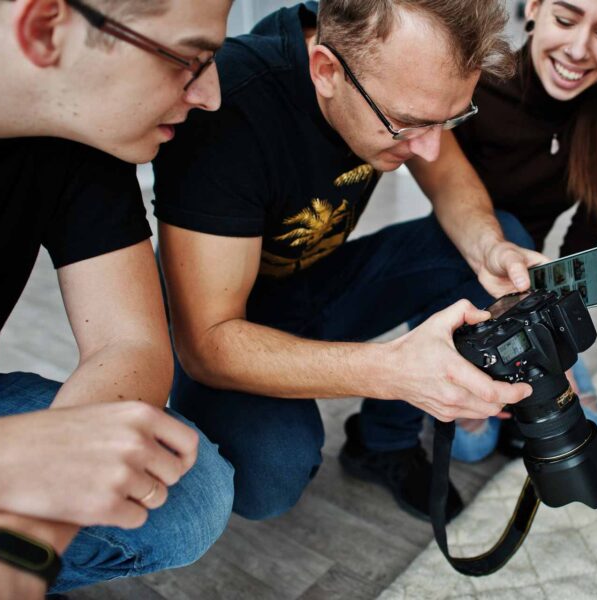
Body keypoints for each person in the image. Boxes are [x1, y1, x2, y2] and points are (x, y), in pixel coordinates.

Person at [151, 0, 546, 524]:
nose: (430, 149)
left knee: (501, 241)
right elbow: (207, 344)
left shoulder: (395, 73)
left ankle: (382, 442)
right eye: (407, 124)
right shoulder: (231, 109)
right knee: (268, 475)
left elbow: (449, 178)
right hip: (219, 319)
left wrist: (489, 248)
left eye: (446, 121)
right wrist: (393, 371)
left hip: (314, 284)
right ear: (326, 72)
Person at [0, 0, 234, 596]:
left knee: (188, 491)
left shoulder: (75, 129)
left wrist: (30, 527)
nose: (212, 95)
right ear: (45, 29)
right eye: (187, 58)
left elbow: (129, 341)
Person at [447, 0, 597, 461]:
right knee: (471, 444)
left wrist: (555, 339)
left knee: (588, 426)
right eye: (565, 20)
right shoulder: (477, 88)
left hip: (527, 289)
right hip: (456, 276)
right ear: (534, 9)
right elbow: (447, 204)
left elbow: (583, 239)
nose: (579, 49)